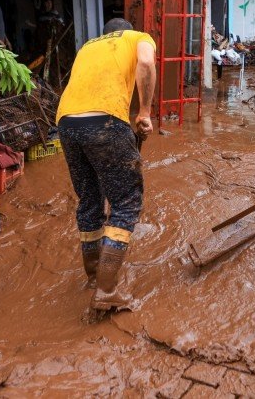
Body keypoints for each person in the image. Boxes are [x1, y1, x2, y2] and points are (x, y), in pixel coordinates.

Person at [56, 18, 156, 317]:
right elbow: (147, 64)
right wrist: (145, 112)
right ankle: (107, 291)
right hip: (104, 120)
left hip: (66, 122)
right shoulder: (139, 37)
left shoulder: (88, 46)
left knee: (89, 200)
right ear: (126, 30)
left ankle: (92, 277)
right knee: (126, 202)